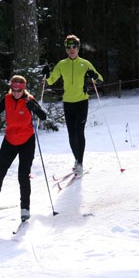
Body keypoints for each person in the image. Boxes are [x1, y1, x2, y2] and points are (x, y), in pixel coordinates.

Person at [0, 75, 47, 221]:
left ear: (23, 89)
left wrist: (34, 108)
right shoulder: (7, 99)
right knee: (0, 169)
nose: (16, 93)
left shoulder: (29, 100)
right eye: (13, 89)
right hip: (10, 139)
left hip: (27, 140)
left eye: (19, 90)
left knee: (23, 175)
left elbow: (43, 116)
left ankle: (25, 208)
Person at [43, 34, 103, 176]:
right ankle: (76, 159)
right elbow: (50, 81)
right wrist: (46, 75)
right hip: (68, 102)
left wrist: (94, 76)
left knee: (79, 131)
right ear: (66, 49)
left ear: (78, 48)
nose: (71, 49)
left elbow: (100, 79)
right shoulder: (62, 64)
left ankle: (80, 162)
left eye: (74, 46)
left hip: (82, 102)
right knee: (71, 134)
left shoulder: (85, 63)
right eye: (69, 47)